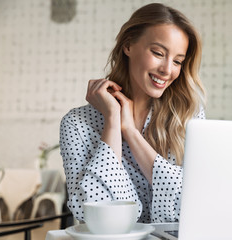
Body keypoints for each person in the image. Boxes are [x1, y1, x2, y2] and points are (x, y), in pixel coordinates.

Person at [59, 3, 205, 223]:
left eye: (177, 61)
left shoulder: (189, 117)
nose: (167, 70)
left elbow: (189, 207)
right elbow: (95, 214)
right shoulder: (77, 124)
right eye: (158, 53)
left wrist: (130, 131)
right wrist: (112, 121)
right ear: (128, 45)